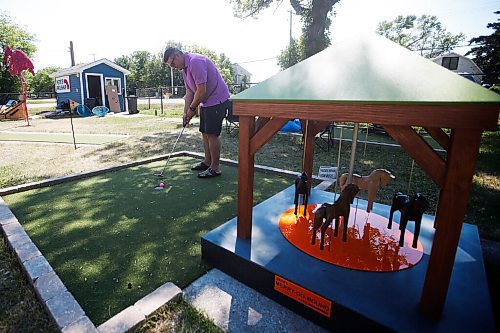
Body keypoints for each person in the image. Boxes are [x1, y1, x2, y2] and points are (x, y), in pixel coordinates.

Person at [163, 47, 231, 178]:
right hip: (206, 101)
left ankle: (215, 168)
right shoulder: (184, 69)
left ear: (177, 55)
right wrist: (185, 113)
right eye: (171, 66)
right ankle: (207, 162)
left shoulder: (195, 62)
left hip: (217, 99)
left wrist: (192, 109)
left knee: (212, 134)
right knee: (205, 133)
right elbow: (190, 92)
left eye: (172, 63)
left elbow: (201, 90)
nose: (173, 67)